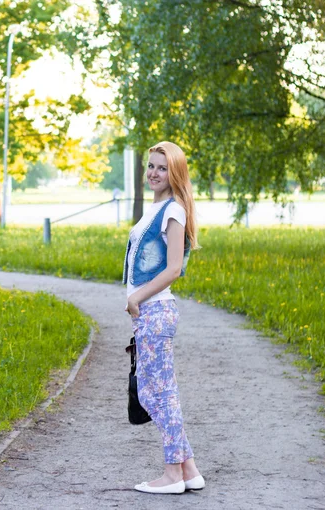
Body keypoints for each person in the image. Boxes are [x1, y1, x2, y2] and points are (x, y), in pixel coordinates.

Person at [122, 141, 204, 494]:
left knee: (157, 395)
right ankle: (189, 471)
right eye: (151, 166)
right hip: (151, 313)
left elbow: (173, 269)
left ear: (175, 173)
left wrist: (137, 297)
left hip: (156, 310)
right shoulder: (156, 209)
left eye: (161, 167)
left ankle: (171, 475)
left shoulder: (173, 211)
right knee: (160, 391)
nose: (154, 173)